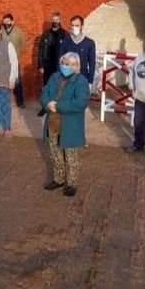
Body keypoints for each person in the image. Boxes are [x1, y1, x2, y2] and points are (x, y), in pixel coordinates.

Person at [40, 52, 90, 197]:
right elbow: (44, 93)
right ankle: (59, 179)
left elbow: (81, 102)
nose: (64, 66)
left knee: (71, 155)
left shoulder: (81, 81)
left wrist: (59, 106)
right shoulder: (54, 77)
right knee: (55, 153)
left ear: (76, 66)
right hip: (53, 121)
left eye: (68, 64)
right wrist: (47, 103)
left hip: (70, 124)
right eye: (63, 63)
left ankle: (72, 183)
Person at [37, 12, 67, 117]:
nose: (55, 22)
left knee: (60, 86)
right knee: (47, 86)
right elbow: (40, 49)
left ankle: (58, 107)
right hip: (47, 65)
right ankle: (45, 106)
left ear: (60, 20)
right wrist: (40, 65)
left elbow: (68, 52)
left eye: (57, 20)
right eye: (53, 20)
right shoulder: (46, 34)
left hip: (59, 66)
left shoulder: (65, 34)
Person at [59, 15, 96, 87]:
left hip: (83, 79)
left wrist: (90, 82)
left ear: (82, 26)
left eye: (76, 25)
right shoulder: (66, 41)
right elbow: (60, 61)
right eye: (72, 25)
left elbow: (92, 64)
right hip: (67, 80)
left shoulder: (89, 43)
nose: (74, 28)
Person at [1, 13, 26, 108]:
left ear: (12, 21)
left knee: (17, 82)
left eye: (8, 21)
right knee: (3, 82)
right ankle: (4, 101)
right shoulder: (1, 31)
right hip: (3, 61)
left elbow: (23, 44)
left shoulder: (18, 31)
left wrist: (16, 53)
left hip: (15, 61)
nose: (6, 23)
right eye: (5, 21)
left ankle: (20, 101)